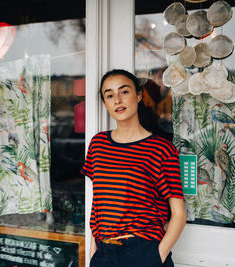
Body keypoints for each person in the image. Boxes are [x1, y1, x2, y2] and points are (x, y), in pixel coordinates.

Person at [81, 69, 186, 267]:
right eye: (109, 95)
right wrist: (93, 251)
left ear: (138, 95)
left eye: (124, 92)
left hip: (143, 251)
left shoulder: (161, 149)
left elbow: (179, 213)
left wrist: (157, 257)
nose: (117, 100)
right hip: (104, 252)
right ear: (105, 103)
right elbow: (99, 202)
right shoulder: (98, 144)